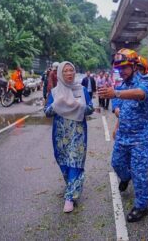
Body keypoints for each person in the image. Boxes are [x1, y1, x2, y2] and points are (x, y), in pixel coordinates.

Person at [99, 49, 148, 222]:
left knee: (139, 172)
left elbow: (141, 94)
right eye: (118, 68)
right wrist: (116, 113)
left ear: (133, 65)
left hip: (141, 137)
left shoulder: (144, 82)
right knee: (116, 163)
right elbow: (117, 105)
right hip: (123, 134)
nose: (121, 71)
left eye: (124, 67)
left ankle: (141, 206)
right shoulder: (121, 84)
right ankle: (125, 177)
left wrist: (115, 93)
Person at [44, 61, 94, 213]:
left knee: (75, 162)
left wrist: (78, 106)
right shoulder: (54, 92)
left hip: (78, 133)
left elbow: (91, 108)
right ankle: (71, 184)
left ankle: (70, 197)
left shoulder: (82, 89)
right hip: (60, 134)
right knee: (63, 162)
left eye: (71, 70)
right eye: (65, 71)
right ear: (60, 73)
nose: (68, 73)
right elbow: (46, 112)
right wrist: (56, 105)